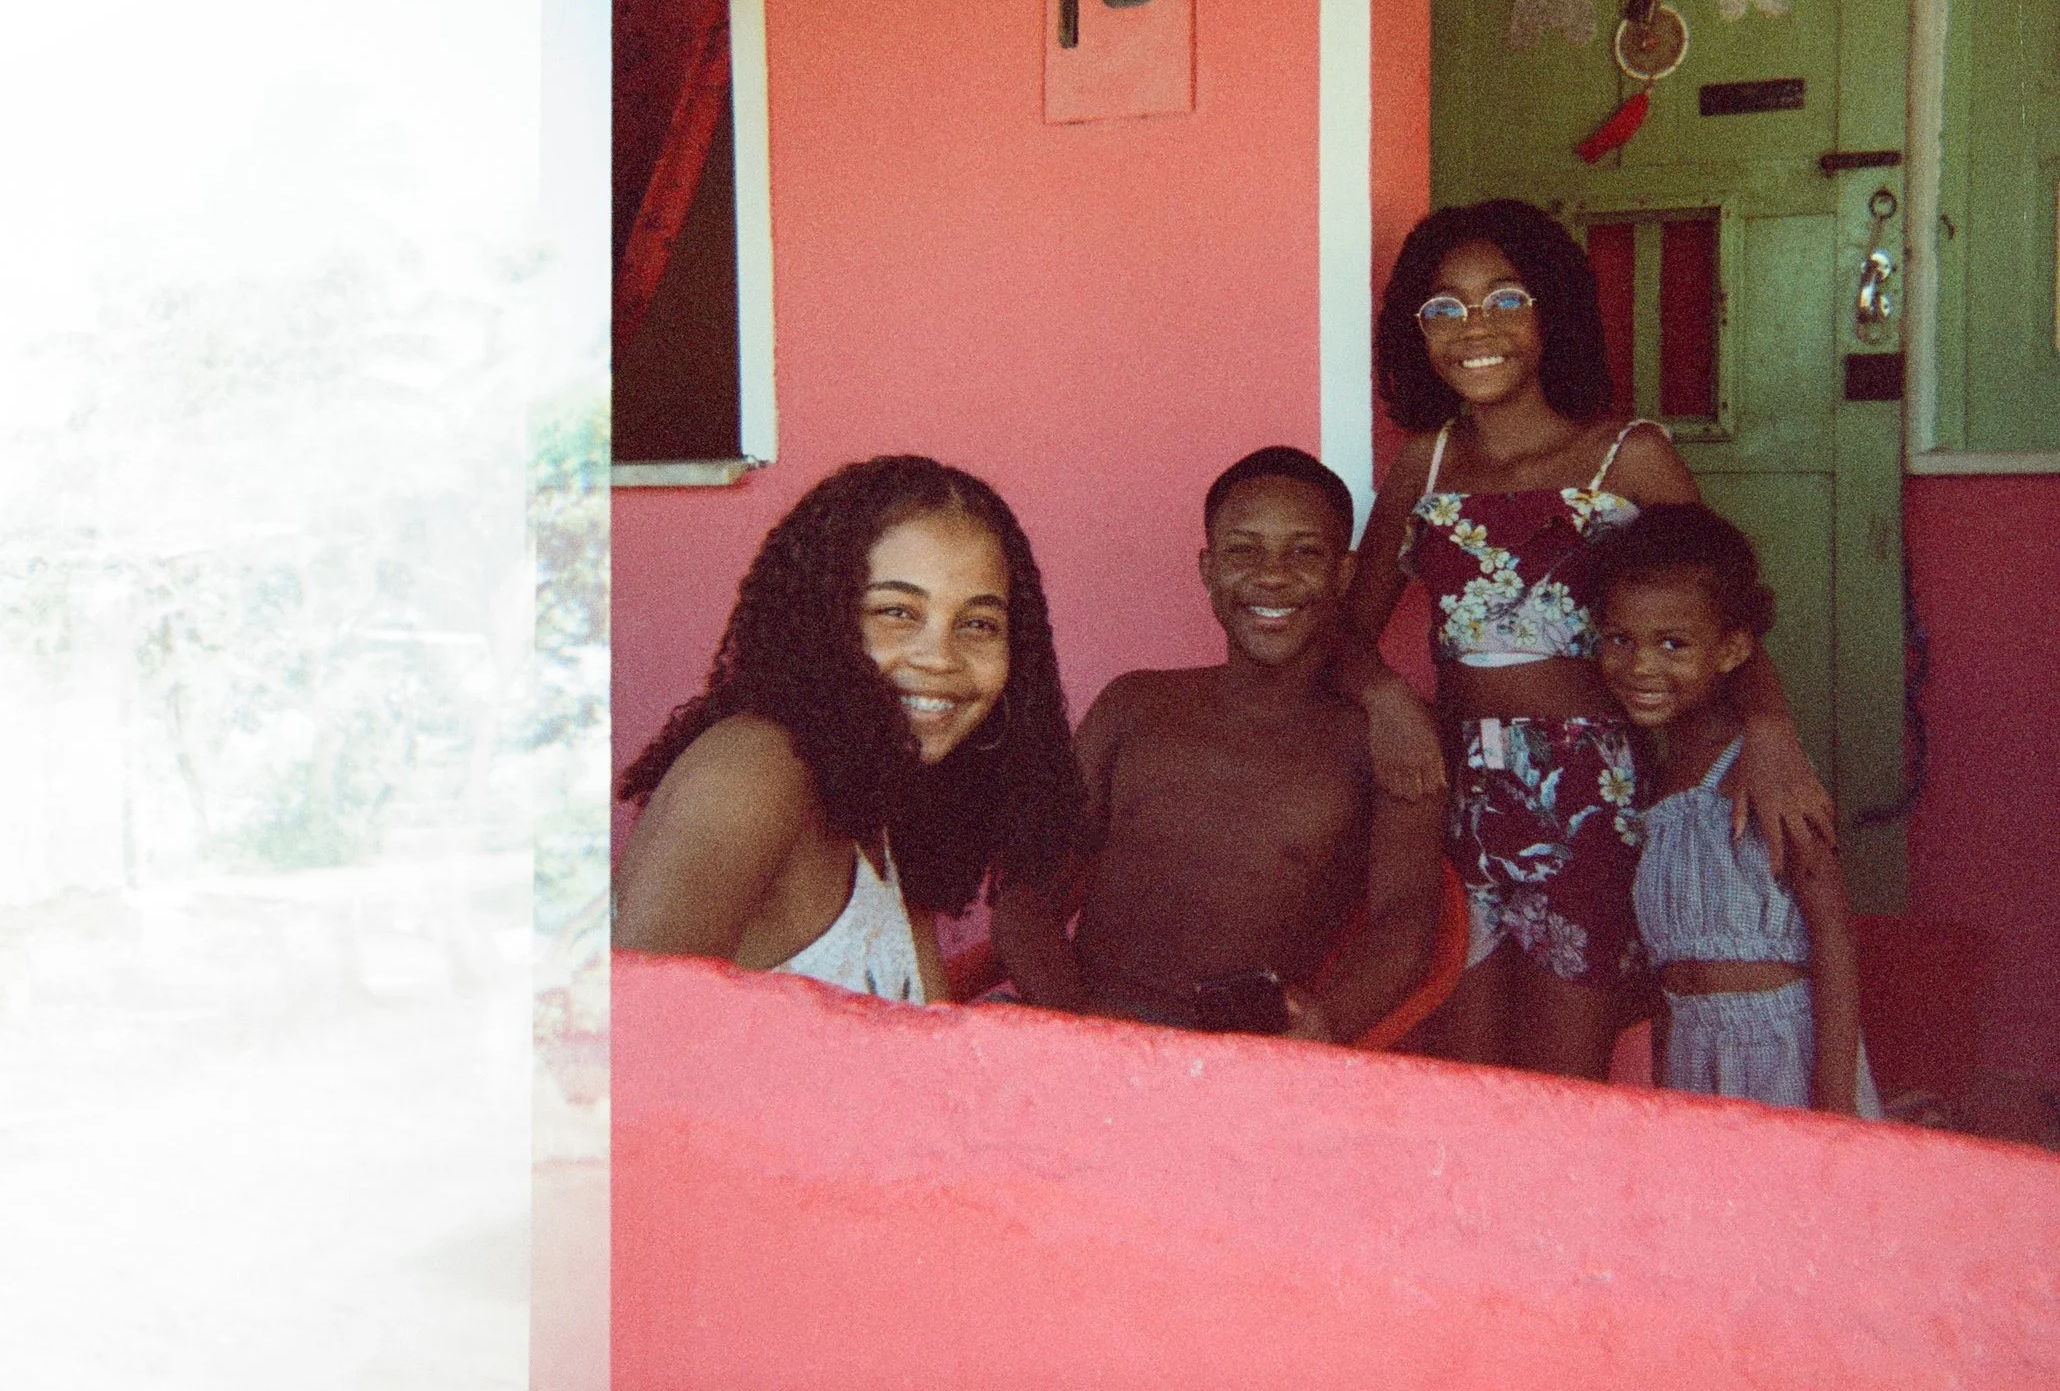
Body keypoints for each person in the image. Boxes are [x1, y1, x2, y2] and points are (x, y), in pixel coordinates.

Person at [1345, 199, 1836, 1080]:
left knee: (1563, 1083)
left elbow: (1720, 610)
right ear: (1416, 332)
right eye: (1445, 308)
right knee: (1467, 1079)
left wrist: (1771, 730)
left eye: (1506, 299)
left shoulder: (1626, 455)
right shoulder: (1424, 464)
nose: (1476, 328)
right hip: (1456, 796)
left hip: (1590, 802)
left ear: (1554, 313)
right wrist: (1386, 696)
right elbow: (1347, 636)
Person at [992, 448, 1447, 1042]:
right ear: (1208, 570)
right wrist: (1076, 1020)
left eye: (1304, 552)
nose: (1273, 575)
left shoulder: (1390, 740)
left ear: (1343, 575)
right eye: (1243, 550)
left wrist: (1327, 1024)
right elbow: (1028, 889)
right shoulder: (1134, 705)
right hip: (1081, 1026)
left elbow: (1404, 921)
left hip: (1247, 1052)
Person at [612, 455, 1083, 1003]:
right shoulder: (754, 768)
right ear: (819, 620)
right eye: (896, 612)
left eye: (978, 623)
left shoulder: (881, 796)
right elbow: (630, 1029)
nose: (940, 658)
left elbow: (925, 1032)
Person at [1595, 503, 1881, 1117]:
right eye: (1620, 639)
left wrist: (1835, 1110)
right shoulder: (1652, 783)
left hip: (1783, 1057)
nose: (1641, 665)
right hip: (1693, 1062)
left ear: (1731, 650)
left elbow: (1833, 938)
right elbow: (1667, 984)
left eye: (1673, 644)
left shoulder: (1763, 776)